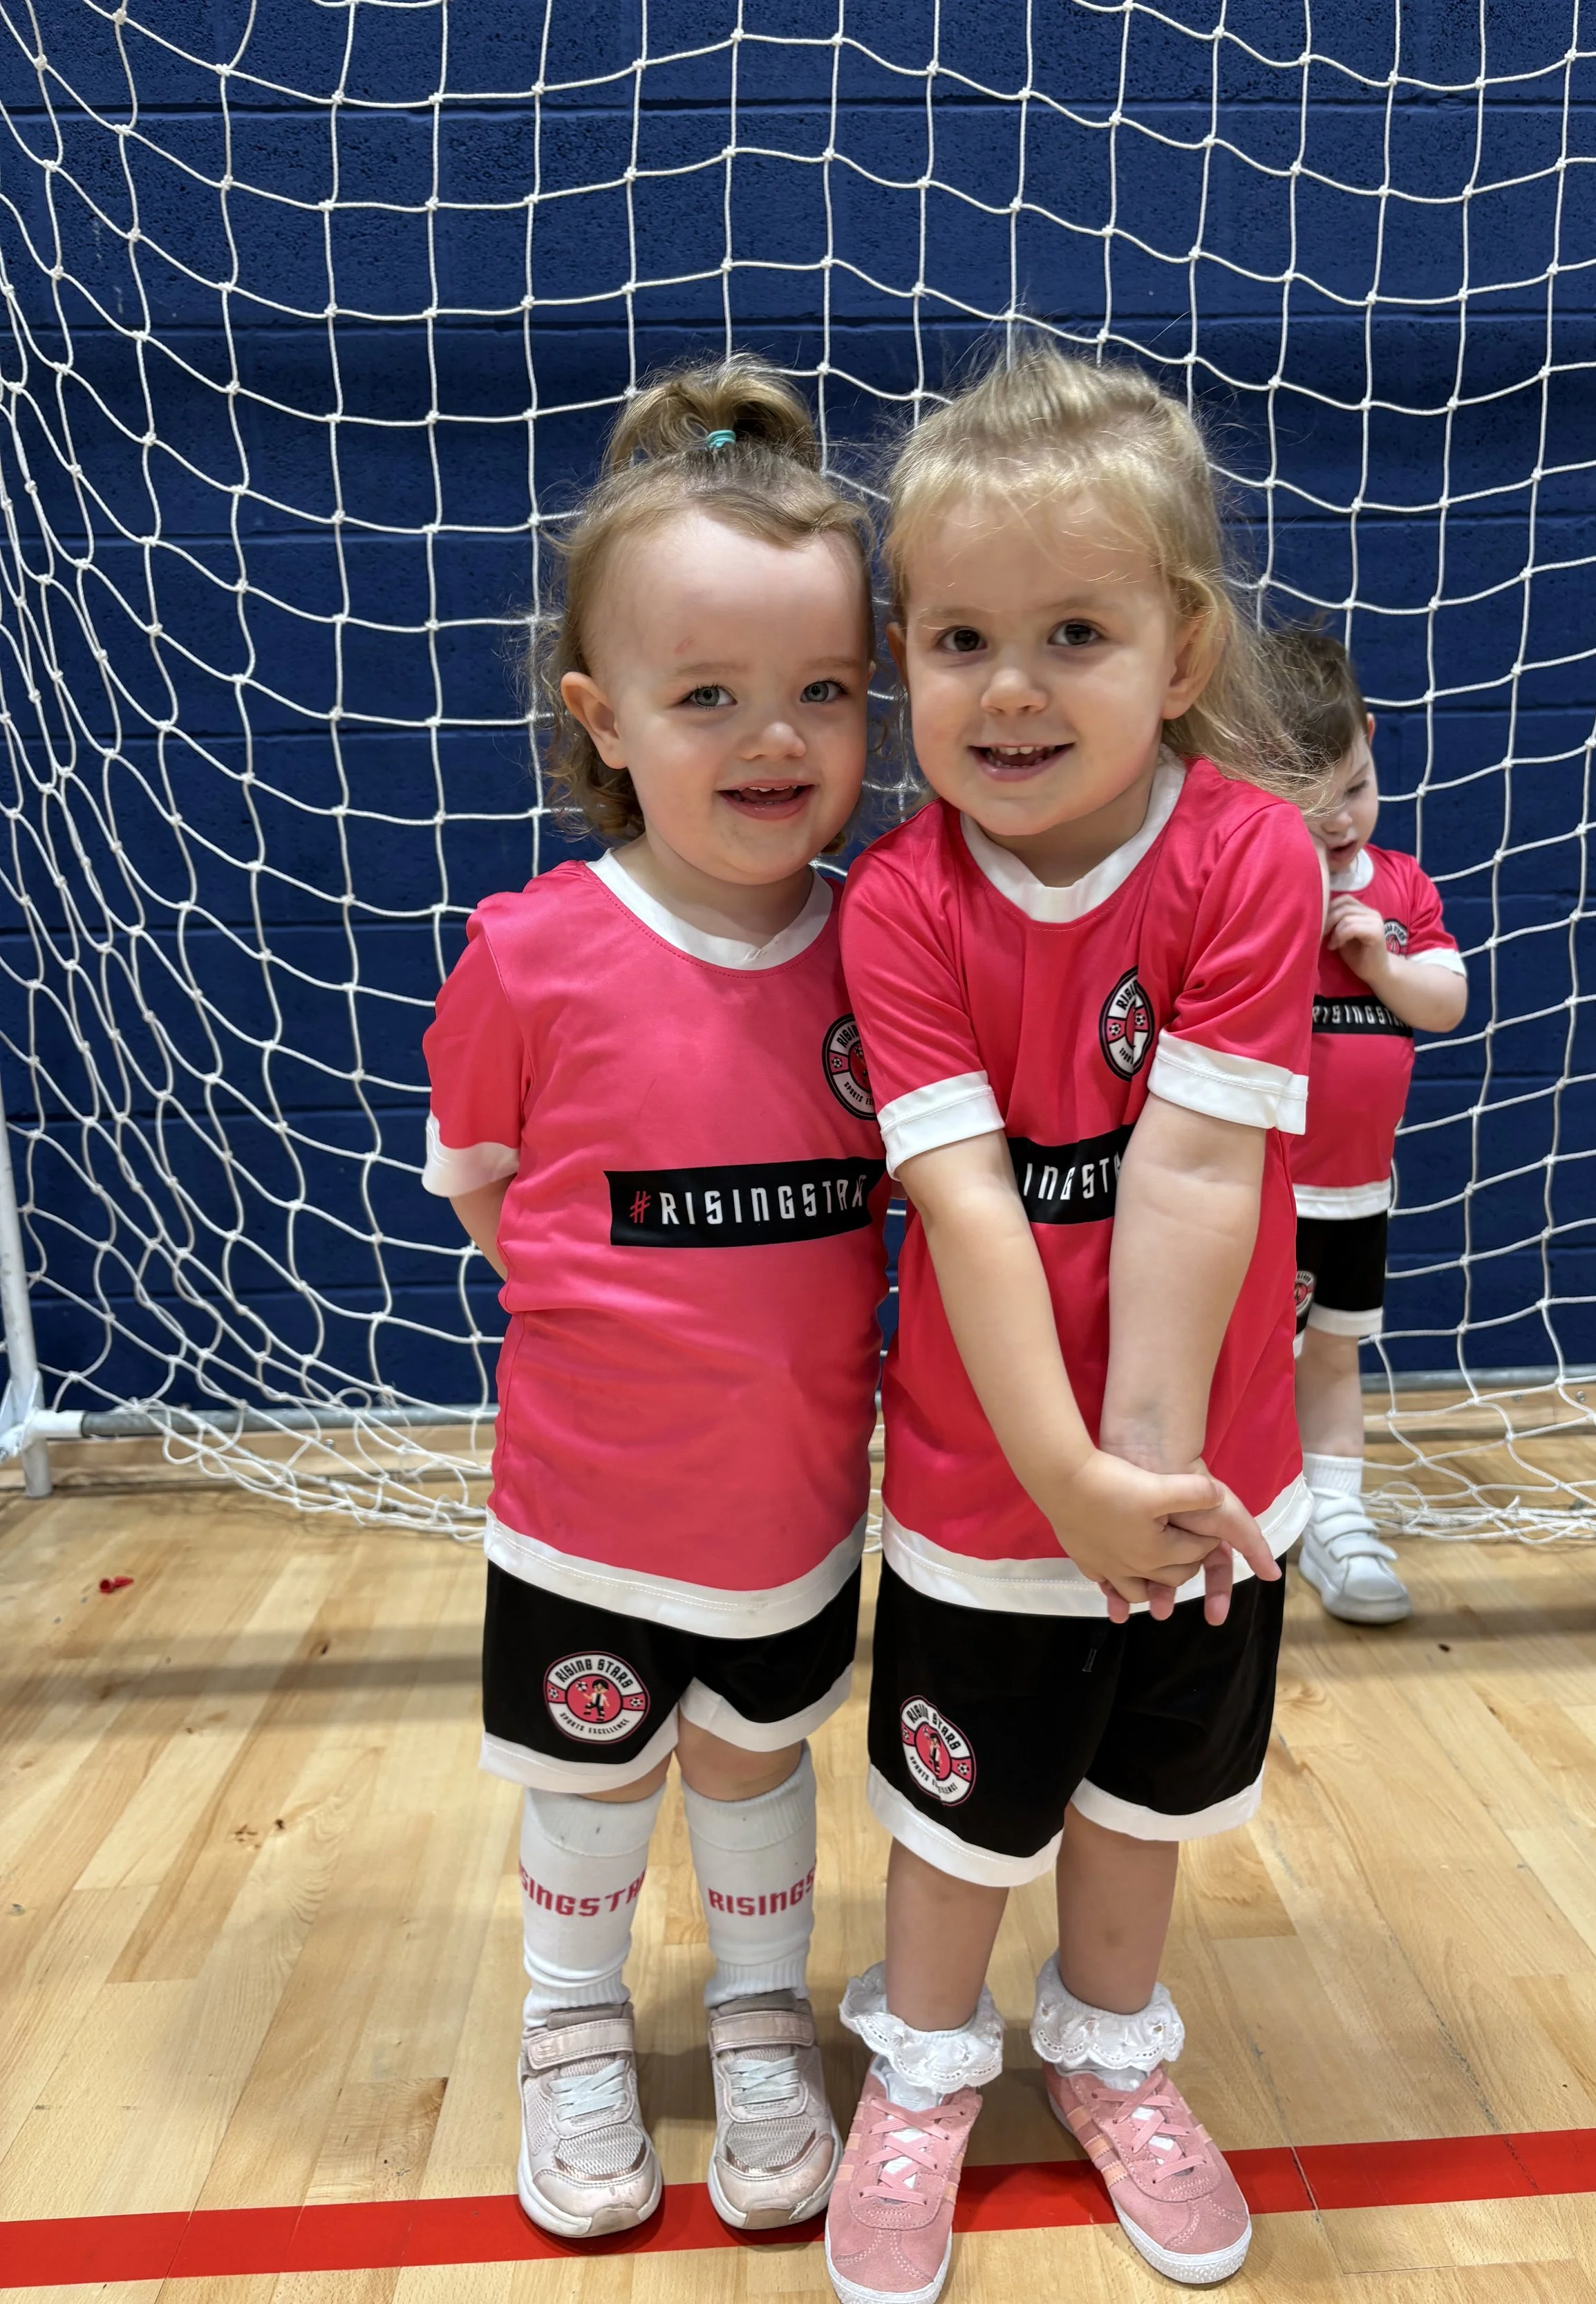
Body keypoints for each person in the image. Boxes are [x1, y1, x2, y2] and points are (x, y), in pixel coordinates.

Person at [824, 345, 1324, 2302]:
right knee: (962, 1815)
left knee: (1142, 1802)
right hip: (983, 1479)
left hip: (1199, 1476)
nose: (1009, 686)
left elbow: (1194, 1176)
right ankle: (925, 2075)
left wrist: (1143, 1486)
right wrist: (1059, 1480)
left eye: (1071, 632)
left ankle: (1106, 2051)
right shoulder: (898, 902)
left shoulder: (1249, 860)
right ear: (898, 656)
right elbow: (958, 1201)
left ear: (1180, 649)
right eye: (957, 638)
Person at [421, 361, 888, 2240]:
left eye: (823, 691)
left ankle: (762, 2011)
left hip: (787, 1497)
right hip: (587, 1505)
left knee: (756, 1752)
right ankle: (569, 2024)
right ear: (601, 717)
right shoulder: (531, 956)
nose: (772, 736)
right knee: (590, 1772)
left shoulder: (885, 938)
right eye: (708, 696)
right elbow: (482, 1190)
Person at [1266, 628, 1469, 1624]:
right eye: (1309, 806)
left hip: (1351, 1190)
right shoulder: (1248, 889)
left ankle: (1338, 1521)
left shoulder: (1402, 886)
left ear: (1371, 740)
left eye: (1353, 785)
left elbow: (1446, 1003)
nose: (1340, 821)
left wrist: (1382, 967)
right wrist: (1286, 910)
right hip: (1250, 1191)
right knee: (1232, 1356)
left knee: (1332, 1353)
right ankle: (1239, 1511)